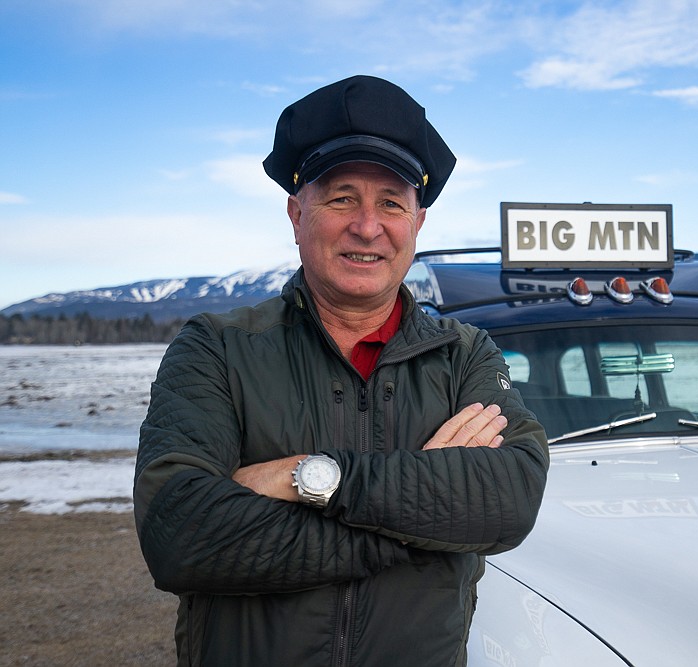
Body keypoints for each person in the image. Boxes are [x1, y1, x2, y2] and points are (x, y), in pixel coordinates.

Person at [133, 75, 549, 666]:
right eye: (341, 197)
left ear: (418, 223)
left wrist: (314, 478)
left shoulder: (465, 355)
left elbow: (509, 500)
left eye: (391, 203)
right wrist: (428, 521)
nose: (368, 225)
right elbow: (181, 535)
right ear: (296, 211)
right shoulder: (217, 349)